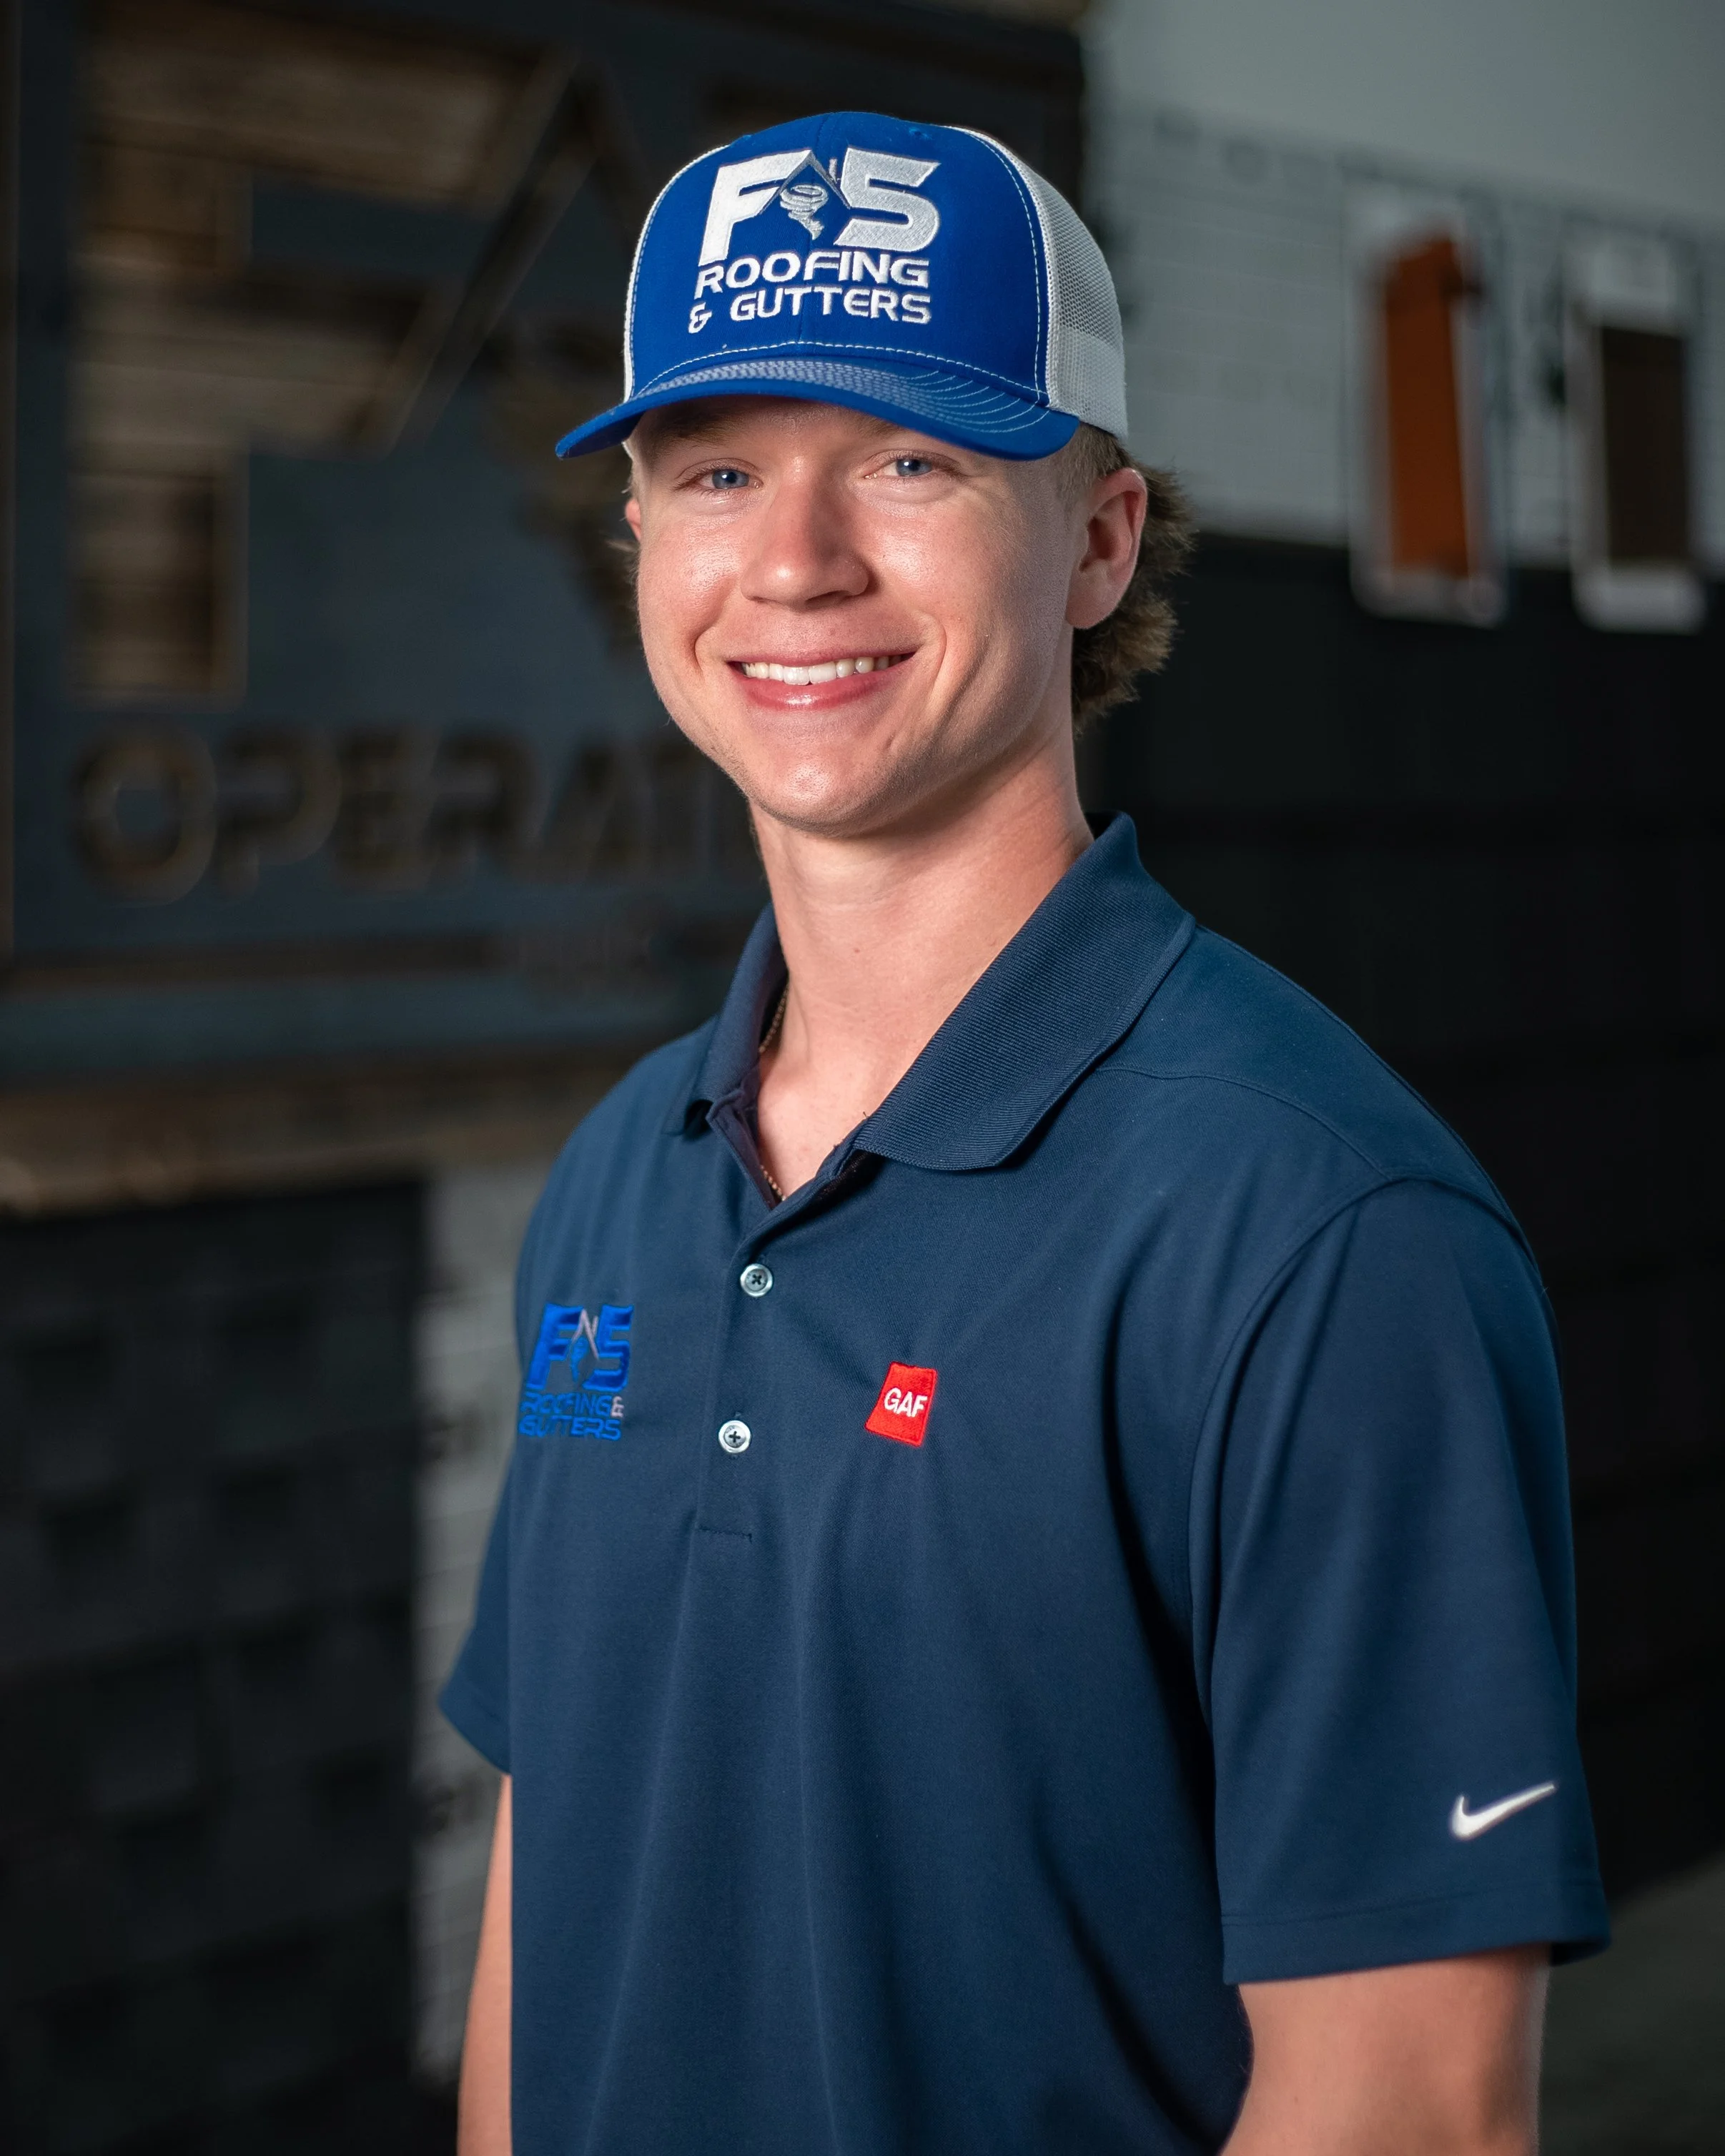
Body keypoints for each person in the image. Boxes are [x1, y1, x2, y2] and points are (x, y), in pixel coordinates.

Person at [443, 112, 1607, 2156]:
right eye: (716, 470)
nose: (794, 558)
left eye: (908, 458)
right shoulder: (626, 1173)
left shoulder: (1320, 1235)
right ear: (642, 533)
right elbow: (551, 1901)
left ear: (1096, 540)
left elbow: (1407, 2113)